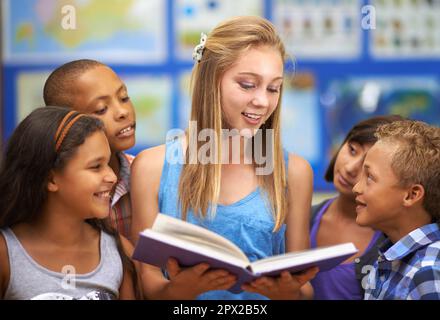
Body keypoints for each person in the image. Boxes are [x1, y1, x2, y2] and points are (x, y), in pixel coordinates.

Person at [130, 16, 317, 300]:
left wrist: (287, 293)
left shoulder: (294, 172)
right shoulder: (152, 168)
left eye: (273, 88)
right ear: (210, 81)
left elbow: (303, 289)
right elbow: (148, 284)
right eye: (247, 84)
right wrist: (181, 289)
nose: (263, 102)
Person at [0, 107, 138, 300]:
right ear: (51, 179)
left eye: (108, 164)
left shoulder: (120, 251)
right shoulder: (6, 254)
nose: (112, 176)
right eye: (96, 166)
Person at [310, 115, 404, 300]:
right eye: (352, 150)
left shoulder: (394, 240)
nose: (350, 168)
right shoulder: (303, 219)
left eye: (366, 167)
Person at [43, 60, 136, 240]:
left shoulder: (149, 175)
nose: (122, 112)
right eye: (101, 109)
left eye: (124, 98)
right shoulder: (55, 194)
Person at [353, 120, 440, 300]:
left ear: (411, 195)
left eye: (369, 177)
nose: (356, 188)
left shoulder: (427, 272)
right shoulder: (389, 258)